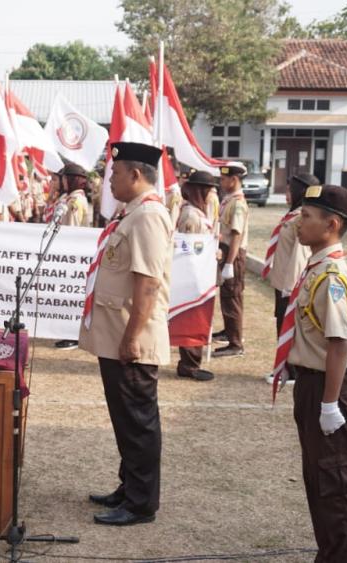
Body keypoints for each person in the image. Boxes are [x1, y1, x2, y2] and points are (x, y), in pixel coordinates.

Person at [80, 142, 172, 527]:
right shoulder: (131, 213)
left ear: (136, 175)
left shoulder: (148, 216)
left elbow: (148, 283)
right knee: (125, 418)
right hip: (118, 334)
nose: (109, 182)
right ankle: (128, 486)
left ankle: (140, 504)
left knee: (138, 421)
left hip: (131, 338)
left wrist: (133, 336)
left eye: (114, 174)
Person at [280, 184, 347, 563]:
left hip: (329, 388)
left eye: (308, 217)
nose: (300, 222)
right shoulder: (315, 267)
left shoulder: (331, 276)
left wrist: (330, 404)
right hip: (312, 384)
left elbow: (337, 344)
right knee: (317, 479)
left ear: (331, 225)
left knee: (332, 482)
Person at [262, 173, 318, 385]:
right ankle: (283, 368)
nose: (286, 194)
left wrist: (290, 286)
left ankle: (291, 371)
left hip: (289, 283)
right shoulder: (292, 215)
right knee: (281, 324)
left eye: (289, 190)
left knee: (289, 326)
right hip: (282, 281)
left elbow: (299, 254)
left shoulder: (299, 219)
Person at [174, 171, 219, 381]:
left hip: (202, 271)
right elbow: (189, 246)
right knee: (192, 316)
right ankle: (189, 364)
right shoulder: (191, 215)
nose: (212, 195)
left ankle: (191, 361)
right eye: (209, 190)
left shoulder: (197, 212)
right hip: (194, 273)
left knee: (198, 315)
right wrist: (210, 253)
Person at [54, 162, 92, 351]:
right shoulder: (71, 199)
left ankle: (71, 335)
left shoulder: (75, 202)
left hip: (71, 254)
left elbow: (72, 231)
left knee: (70, 295)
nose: (60, 182)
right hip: (70, 253)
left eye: (63, 178)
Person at [213, 161, 249, 358]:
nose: (221, 181)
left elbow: (236, 235)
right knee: (226, 296)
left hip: (233, 255)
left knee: (232, 297)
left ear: (234, 180)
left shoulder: (237, 204)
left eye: (224, 179)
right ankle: (228, 331)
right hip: (225, 251)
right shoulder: (229, 200)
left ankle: (235, 343)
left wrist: (229, 263)